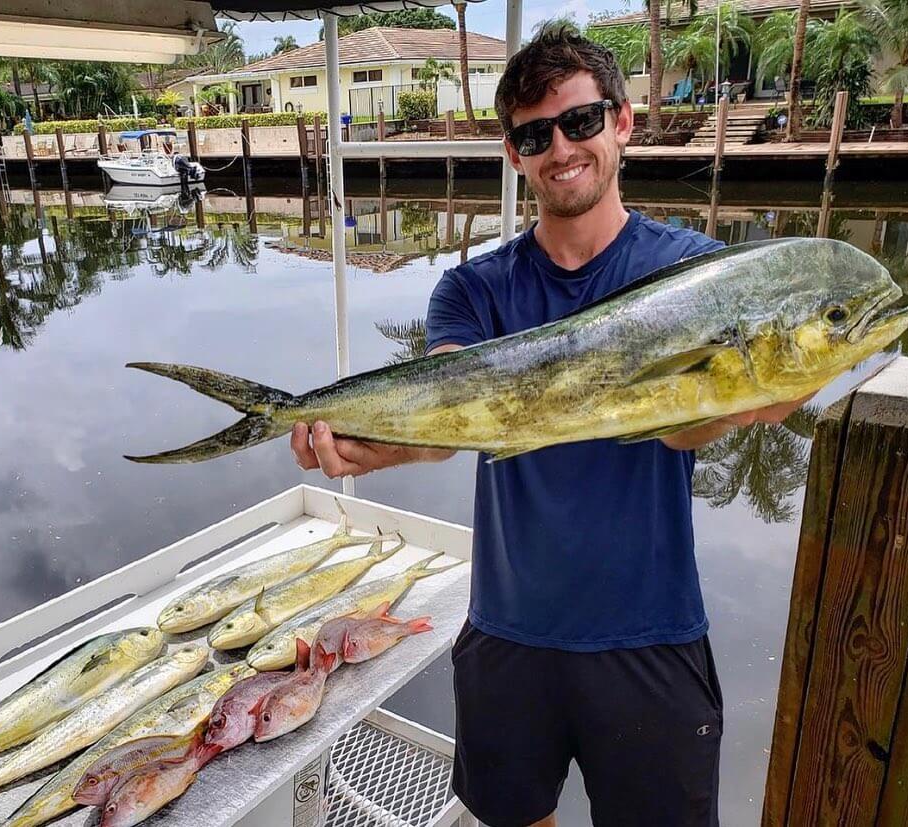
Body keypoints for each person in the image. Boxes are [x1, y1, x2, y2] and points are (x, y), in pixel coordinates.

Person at [292, 25, 810, 827]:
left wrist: (735, 402)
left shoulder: (696, 275)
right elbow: (449, 412)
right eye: (536, 134)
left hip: (649, 631)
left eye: (579, 122)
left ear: (623, 122)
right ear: (515, 154)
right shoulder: (472, 290)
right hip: (510, 632)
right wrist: (366, 445)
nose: (561, 148)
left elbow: (679, 433)